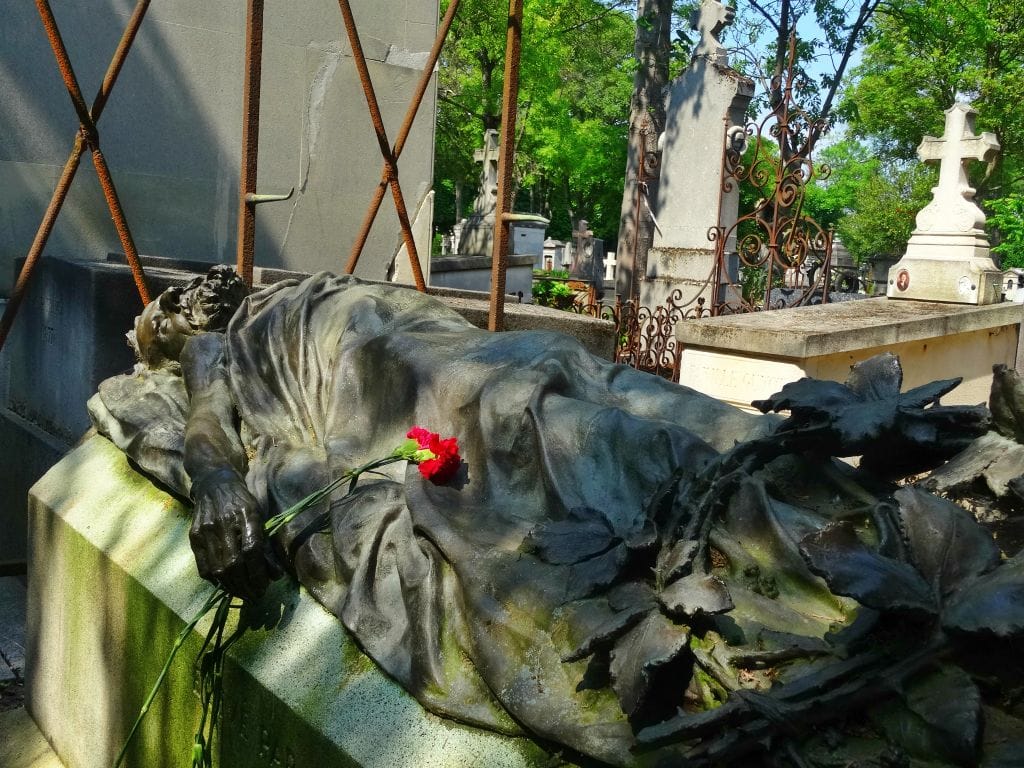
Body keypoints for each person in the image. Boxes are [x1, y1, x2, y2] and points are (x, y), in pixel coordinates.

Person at [90, 266, 1021, 767]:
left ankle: (862, 550)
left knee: (584, 414)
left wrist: (218, 480)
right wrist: (221, 481)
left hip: (418, 370)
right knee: (594, 418)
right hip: (437, 378)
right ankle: (852, 557)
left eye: (165, 318)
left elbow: (210, 425)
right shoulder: (266, 322)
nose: (168, 327)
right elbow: (210, 430)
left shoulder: (240, 327)